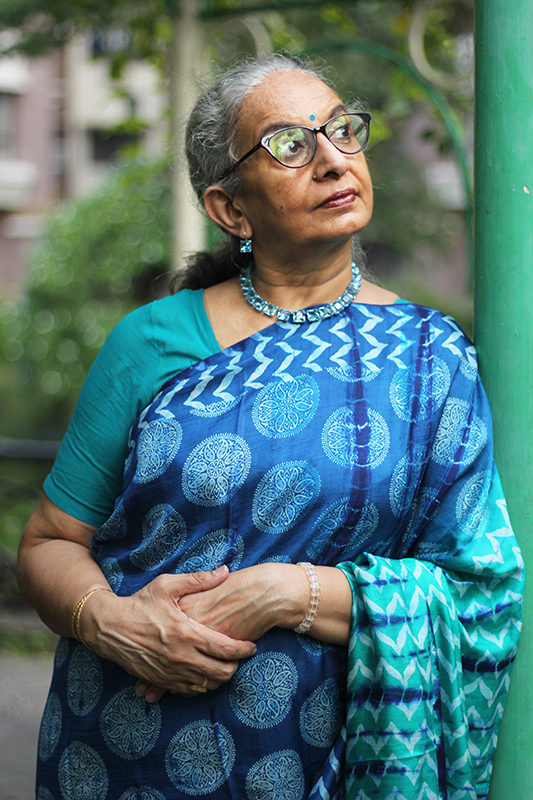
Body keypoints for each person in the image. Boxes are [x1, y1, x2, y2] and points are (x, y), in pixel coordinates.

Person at [18, 54, 523, 800]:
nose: (332, 159)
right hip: (124, 752)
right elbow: (49, 542)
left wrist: (289, 592)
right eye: (290, 144)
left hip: (335, 763)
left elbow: (479, 592)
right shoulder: (151, 342)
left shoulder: (430, 356)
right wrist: (109, 623)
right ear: (230, 208)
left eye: (342, 131)